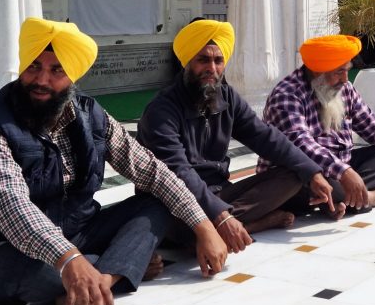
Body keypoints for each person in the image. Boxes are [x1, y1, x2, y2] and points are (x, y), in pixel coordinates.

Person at [0, 18, 228, 305]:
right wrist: (70, 261)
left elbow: (151, 170)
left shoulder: (89, 114)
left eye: (57, 70)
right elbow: (12, 210)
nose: (42, 80)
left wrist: (203, 225)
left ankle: (99, 280)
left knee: (157, 201)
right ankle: (112, 268)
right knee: (29, 267)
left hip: (75, 232)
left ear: (74, 75)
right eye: (33, 67)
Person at [138, 20, 335, 252]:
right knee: (179, 227)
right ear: (187, 63)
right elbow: (179, 173)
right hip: (175, 202)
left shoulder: (226, 97)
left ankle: (223, 228)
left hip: (220, 192)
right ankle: (238, 225)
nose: (212, 68)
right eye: (203, 60)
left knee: (293, 173)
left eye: (218, 60)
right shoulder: (162, 110)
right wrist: (221, 216)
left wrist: (313, 172)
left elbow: (265, 137)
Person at [262, 35, 375, 214]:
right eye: (339, 72)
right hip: (300, 174)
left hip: (338, 167)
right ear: (317, 72)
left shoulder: (345, 89)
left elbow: (373, 126)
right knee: (310, 181)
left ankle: (342, 199)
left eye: (347, 70)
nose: (345, 79)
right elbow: (301, 146)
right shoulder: (287, 95)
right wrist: (345, 173)